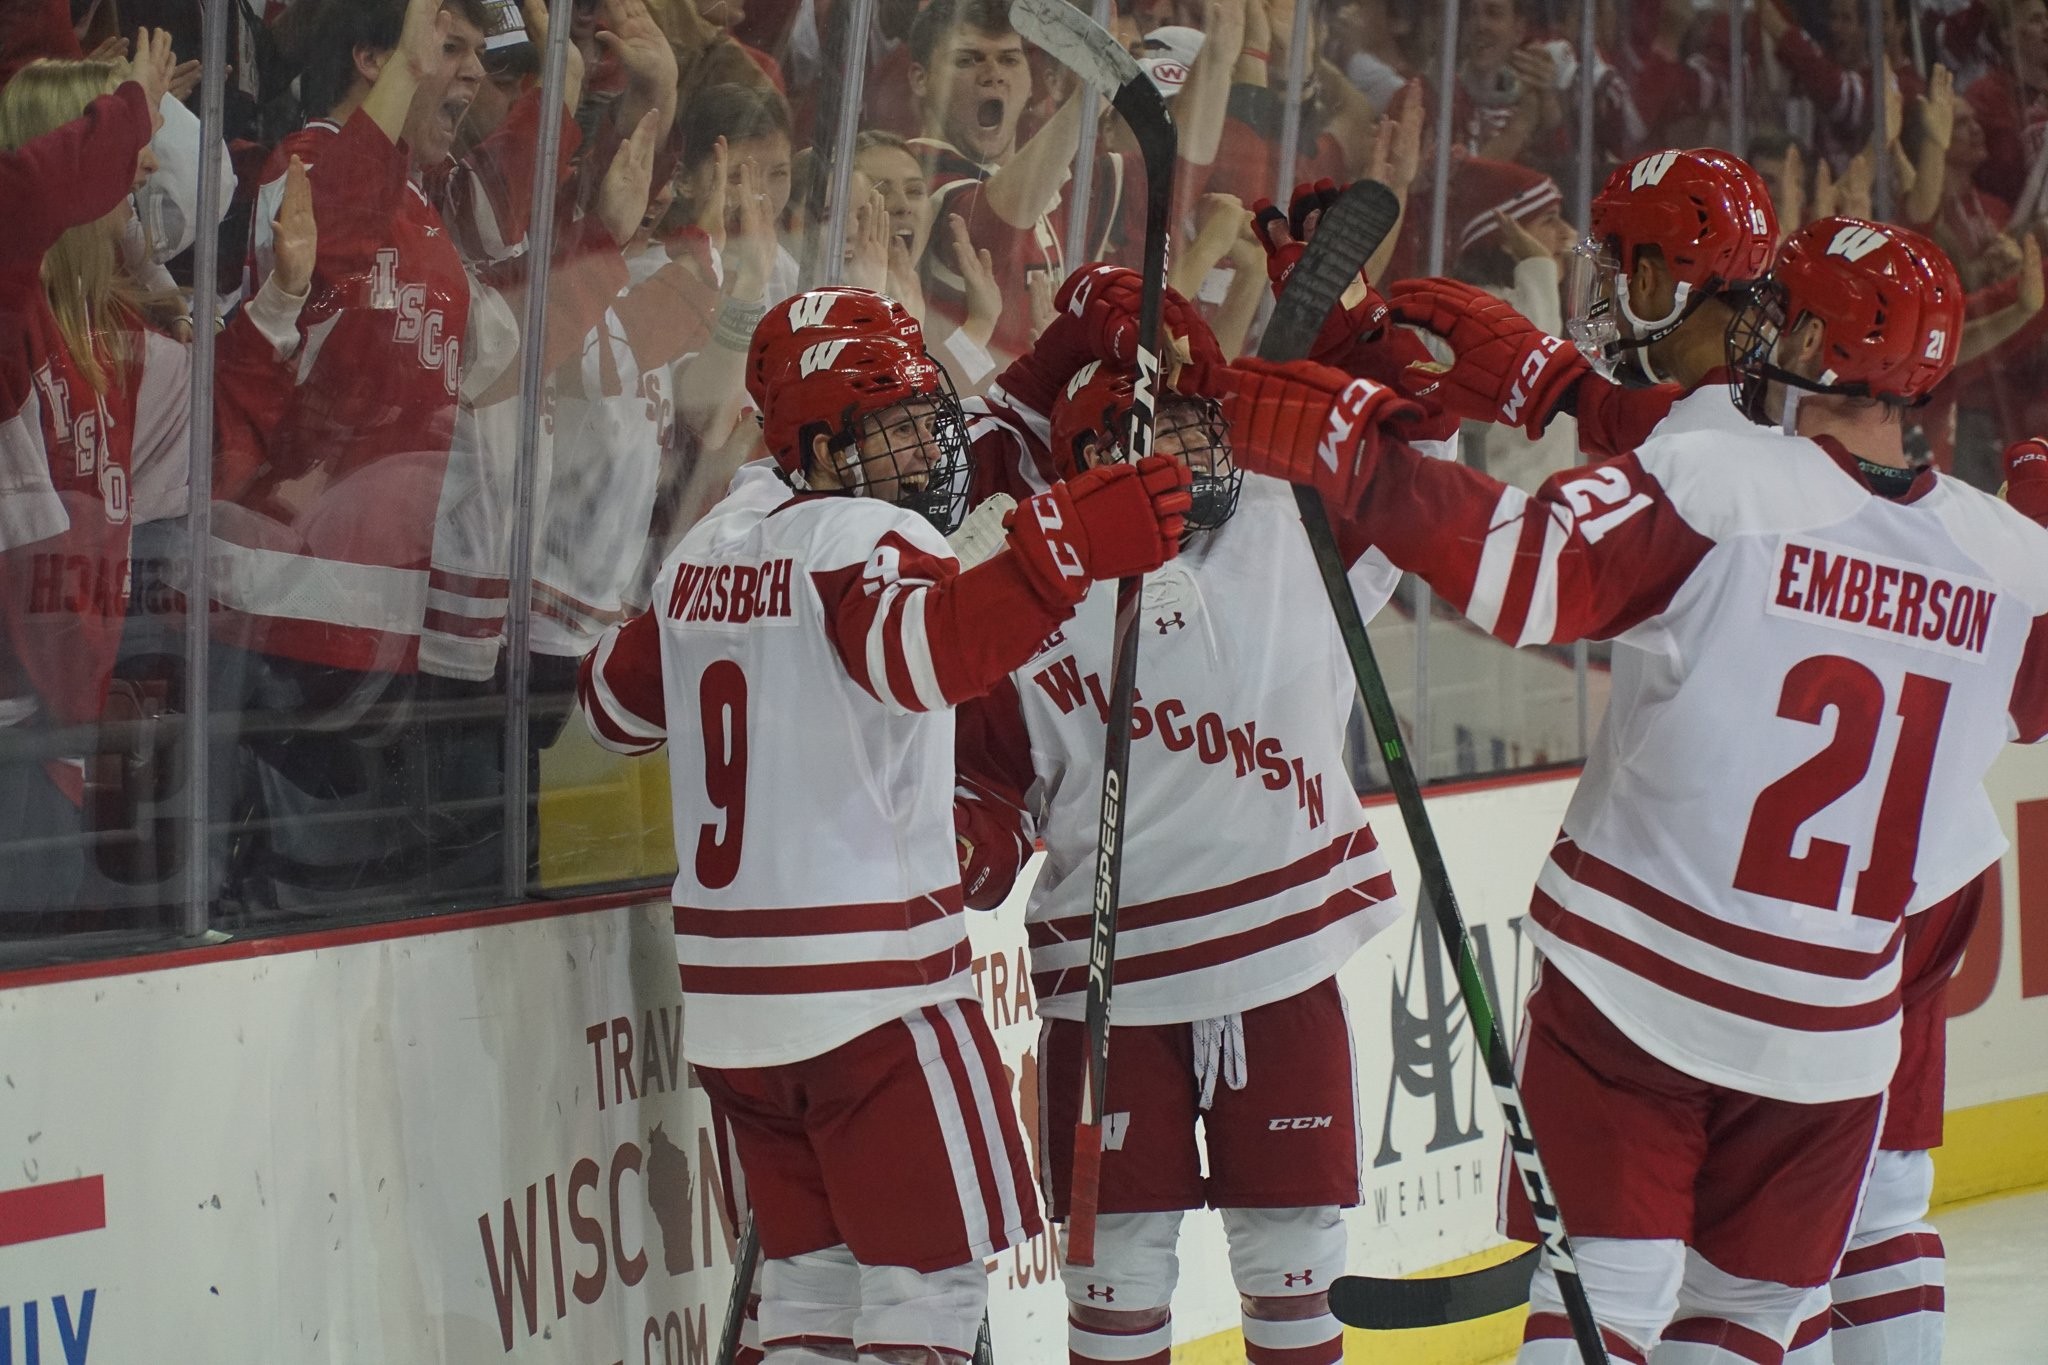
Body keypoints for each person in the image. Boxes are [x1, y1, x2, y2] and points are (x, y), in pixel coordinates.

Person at [1216, 216, 2048, 1364]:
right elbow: (2030, 698)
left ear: (1808, 336)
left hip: (1642, 983)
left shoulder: (1723, 480)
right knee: (1753, 1321)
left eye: (1775, 314)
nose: (1751, 335)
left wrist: (1355, 451)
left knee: (1601, 1295)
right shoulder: (2002, 555)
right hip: (1834, 1029)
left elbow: (1526, 575)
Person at [576, 286, 1192, 1364]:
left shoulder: (705, 550)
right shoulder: (862, 538)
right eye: (891, 429)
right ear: (815, 441)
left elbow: (611, 708)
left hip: (732, 1008)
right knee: (928, 1297)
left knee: (810, 1290)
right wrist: (1059, 553)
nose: (923, 451)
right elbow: (927, 656)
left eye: (923, 420)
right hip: (870, 989)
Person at [951, 263, 1450, 1365]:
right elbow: (981, 789)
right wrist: (952, 855)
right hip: (1107, 986)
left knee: (1293, 1262)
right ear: (1089, 461)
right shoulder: (1029, 590)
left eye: (1198, 424)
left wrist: (1364, 336)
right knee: (1115, 1274)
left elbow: (1427, 470)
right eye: (1160, 431)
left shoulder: (1288, 527)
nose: (1196, 449)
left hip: (1282, 969)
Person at [0, 38, 315, 918]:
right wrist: (126, 116)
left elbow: (218, 440)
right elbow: (19, 212)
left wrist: (282, 302)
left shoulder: (116, 355)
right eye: (120, 177)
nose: (133, 204)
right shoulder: (13, 332)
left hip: (58, 764)